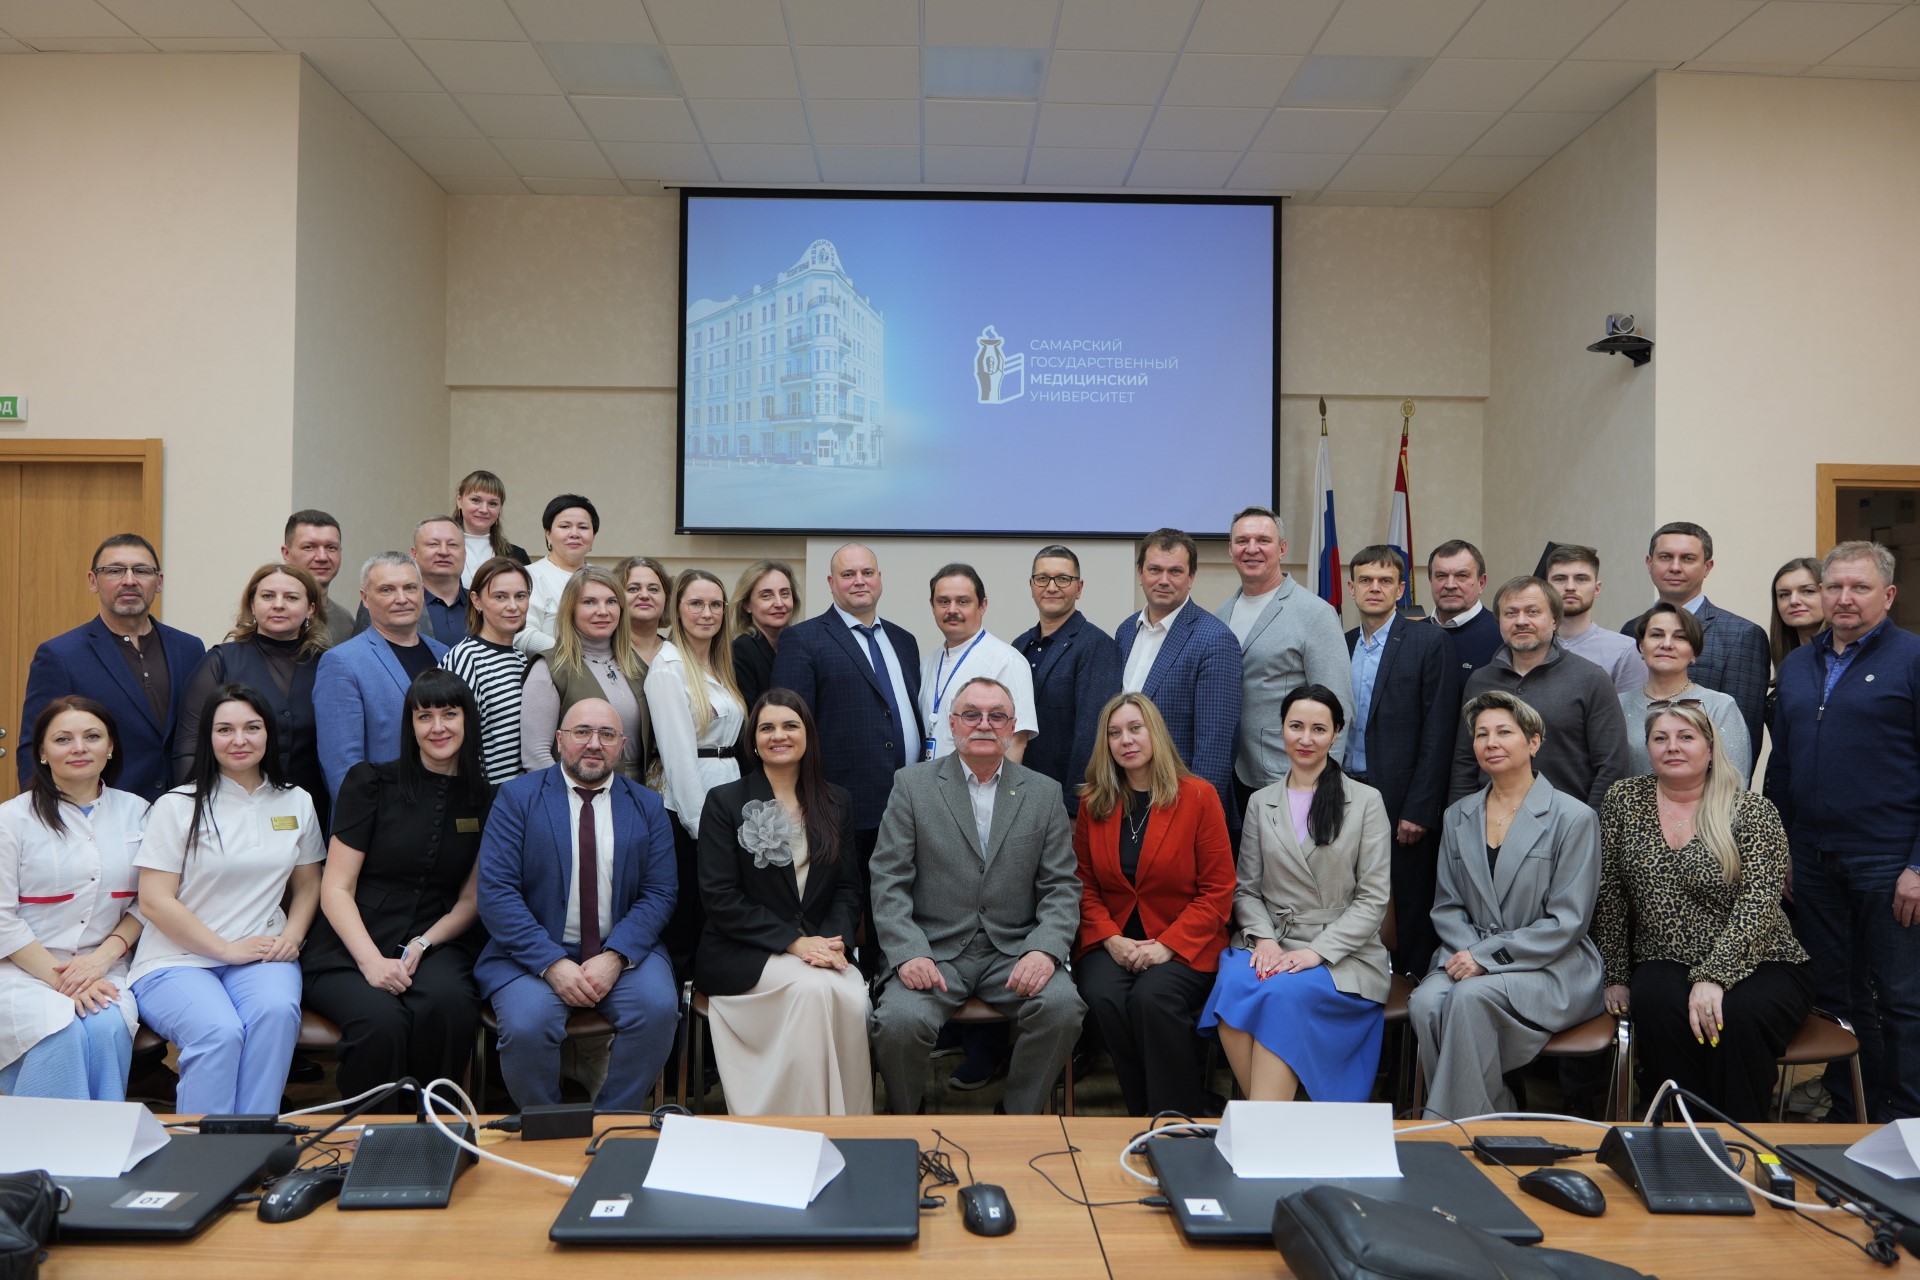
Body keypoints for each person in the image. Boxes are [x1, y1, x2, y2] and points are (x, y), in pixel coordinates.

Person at [868, 677, 1084, 1115]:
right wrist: (909, 952)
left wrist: (1045, 950)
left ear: (1012, 727)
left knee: (1063, 1008)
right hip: (934, 951)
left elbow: (1062, 886)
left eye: (997, 716)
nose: (984, 725)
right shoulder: (912, 786)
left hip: (1014, 950)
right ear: (952, 724)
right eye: (971, 715)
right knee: (898, 1022)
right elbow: (888, 879)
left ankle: (1017, 1116)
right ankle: (905, 1119)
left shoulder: (1042, 792)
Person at [1596, 706, 1811, 1120]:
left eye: (1686, 737)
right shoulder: (1623, 800)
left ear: (1711, 749)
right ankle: (1679, 1137)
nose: (1672, 747)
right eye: (1660, 738)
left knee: (1738, 1017)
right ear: (1648, 748)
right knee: (1656, 1004)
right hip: (1664, 957)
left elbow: (1759, 903)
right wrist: (1617, 976)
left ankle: (1740, 1139)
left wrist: (1714, 976)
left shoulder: (1751, 810)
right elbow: (1611, 894)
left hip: (1762, 959)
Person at [1767, 541, 1920, 1121]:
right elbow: (1781, 766)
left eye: (1859, 587)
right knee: (1835, 995)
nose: (1844, 598)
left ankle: (1905, 1121)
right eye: (1834, 587)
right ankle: (1848, 1108)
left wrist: (1918, 866)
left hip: (1889, 863)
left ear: (1888, 594)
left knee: (1902, 1001)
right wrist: (1781, 849)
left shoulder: (1912, 658)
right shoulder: (1802, 663)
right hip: (1811, 859)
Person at [129, 683, 326, 1114]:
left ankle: (253, 1144)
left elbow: (309, 882)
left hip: (262, 951)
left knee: (275, 1014)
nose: (239, 740)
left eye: (252, 728)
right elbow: (155, 901)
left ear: (269, 734)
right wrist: (224, 950)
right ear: (208, 738)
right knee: (218, 1032)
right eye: (225, 730)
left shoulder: (296, 800)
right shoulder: (177, 806)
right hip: (176, 960)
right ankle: (204, 1156)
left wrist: (291, 936)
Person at [475, 698, 678, 1113]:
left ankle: (610, 1121)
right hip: (531, 955)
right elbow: (497, 893)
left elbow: (659, 893)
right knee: (528, 1025)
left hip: (620, 950)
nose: (593, 744)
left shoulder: (648, 806)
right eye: (582, 732)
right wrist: (552, 963)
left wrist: (616, 957)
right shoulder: (517, 798)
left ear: (622, 745)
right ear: (559, 740)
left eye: (606, 735)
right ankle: (548, 1129)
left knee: (658, 1010)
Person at [303, 671, 494, 1108]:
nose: (438, 727)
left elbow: (471, 900)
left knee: (448, 1006)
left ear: (468, 720)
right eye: (424, 716)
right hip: (349, 944)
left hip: (437, 939)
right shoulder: (369, 782)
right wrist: (371, 962)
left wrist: (425, 942)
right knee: (381, 1021)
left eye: (450, 714)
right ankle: (370, 1138)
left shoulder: (486, 799)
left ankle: (433, 1132)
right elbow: (335, 887)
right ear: (410, 725)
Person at [1411, 691, 1605, 1119]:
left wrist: (1485, 959)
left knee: (1468, 999)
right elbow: (1447, 905)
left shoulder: (1573, 818)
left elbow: (1567, 921)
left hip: (1551, 965)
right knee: (1424, 1004)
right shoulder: (1458, 815)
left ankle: (1445, 1128)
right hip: (1468, 953)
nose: (1491, 742)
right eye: (1481, 734)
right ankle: (1493, 1114)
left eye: (1504, 732)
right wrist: (1468, 955)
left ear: (1533, 743)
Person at [1200, 685, 1389, 1102]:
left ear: (1336, 733)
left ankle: (1265, 1125)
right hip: (1272, 941)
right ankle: (1273, 1122)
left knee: (1279, 996)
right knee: (1234, 985)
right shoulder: (1261, 802)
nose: (1306, 738)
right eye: (1296, 726)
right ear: (1281, 729)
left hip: (1342, 954)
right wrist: (1264, 938)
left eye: (1318, 728)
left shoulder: (1366, 801)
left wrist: (1315, 953)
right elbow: (1246, 890)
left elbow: (1373, 899)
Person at [694, 689, 872, 1115]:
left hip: (818, 948)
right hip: (743, 952)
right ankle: (797, 1123)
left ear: (807, 734)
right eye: (767, 727)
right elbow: (720, 898)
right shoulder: (725, 802)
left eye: (790, 725)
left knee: (850, 995)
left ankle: (852, 1125)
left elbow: (849, 887)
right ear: (752, 740)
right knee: (814, 991)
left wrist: (835, 940)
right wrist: (794, 943)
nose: (779, 735)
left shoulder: (836, 802)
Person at [1074, 693, 1232, 1115]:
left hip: (1184, 939)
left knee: (1152, 998)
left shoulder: (1199, 796)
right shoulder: (1094, 802)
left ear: (1155, 733)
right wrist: (1109, 938)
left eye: (1135, 728)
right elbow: (1083, 884)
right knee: (1102, 995)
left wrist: (1167, 945)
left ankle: (1174, 1116)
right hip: (1115, 936)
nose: (1125, 740)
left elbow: (1218, 889)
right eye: (1114, 733)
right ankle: (1146, 1108)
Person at [770, 543, 923, 963]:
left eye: (867, 572)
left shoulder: (905, 641)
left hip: (907, 804)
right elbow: (789, 727)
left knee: (901, 913)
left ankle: (894, 991)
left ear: (879, 579)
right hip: (840, 806)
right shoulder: (803, 639)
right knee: (845, 913)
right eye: (848, 574)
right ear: (831, 583)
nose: (859, 581)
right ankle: (852, 1000)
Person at [0, 697, 144, 1100]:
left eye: (92, 736)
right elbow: (1, 918)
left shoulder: (140, 813)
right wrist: (63, 980)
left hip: (104, 964)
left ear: (110, 746)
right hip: (21, 966)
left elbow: (146, 904)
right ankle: (40, 1153)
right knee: (57, 1029)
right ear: (43, 753)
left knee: (107, 1027)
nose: (79, 747)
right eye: (63, 739)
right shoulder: (11, 820)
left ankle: (99, 1147)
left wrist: (100, 962)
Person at [18, 534, 207, 803]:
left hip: (182, 810)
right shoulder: (60, 655)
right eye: (114, 570)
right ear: (93, 581)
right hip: (99, 815)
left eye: (141, 570)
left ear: (159, 581)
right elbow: (32, 746)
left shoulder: (189, 648)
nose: (129, 580)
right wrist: (42, 818)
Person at [1344, 546, 1461, 977]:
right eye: (1366, 580)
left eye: (1385, 580)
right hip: (1346, 795)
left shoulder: (1429, 642)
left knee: (1408, 904)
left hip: (1402, 804)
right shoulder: (1343, 645)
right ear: (1351, 587)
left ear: (1400, 588)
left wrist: (1419, 809)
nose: (1375, 588)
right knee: (1356, 898)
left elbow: (1439, 732)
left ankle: (1410, 997)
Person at [1449, 576, 1630, 811]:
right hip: (1491, 823)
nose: (1521, 621)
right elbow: (1465, 763)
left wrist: (1590, 827)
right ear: (1499, 622)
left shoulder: (1591, 679)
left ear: (1555, 620)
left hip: (1567, 828)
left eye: (1533, 612)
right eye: (1511, 613)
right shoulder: (1480, 681)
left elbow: (1612, 766)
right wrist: (1461, 820)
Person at [175, 562, 333, 831]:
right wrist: (197, 811)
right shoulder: (220, 661)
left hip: (310, 813)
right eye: (268, 596)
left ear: (311, 608)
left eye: (291, 597)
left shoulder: (329, 666)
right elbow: (189, 746)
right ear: (252, 604)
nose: (278, 605)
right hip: (227, 811)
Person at [1215, 508, 1354, 812]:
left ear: (1282, 548)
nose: (1251, 549)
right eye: (1242, 541)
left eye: (1263, 540)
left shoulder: (1314, 613)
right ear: (1230, 549)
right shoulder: (1222, 614)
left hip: (1289, 772)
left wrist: (1325, 781)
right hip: (1231, 774)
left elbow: (1338, 704)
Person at [648, 569, 747, 981]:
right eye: (695, 604)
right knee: (692, 920)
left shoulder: (720, 666)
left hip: (727, 794)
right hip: (693, 812)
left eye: (714, 605)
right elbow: (677, 758)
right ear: (678, 609)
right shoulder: (668, 667)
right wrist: (700, 826)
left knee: (723, 917)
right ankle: (682, 1033)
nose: (706, 613)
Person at [1115, 528, 1242, 833]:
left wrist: (1194, 818)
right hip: (1126, 796)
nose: (1163, 580)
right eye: (1155, 569)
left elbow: (1215, 746)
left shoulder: (1215, 640)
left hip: (1179, 806)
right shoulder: (1125, 631)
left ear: (1191, 577)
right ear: (1140, 573)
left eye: (1175, 571)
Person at [1622, 521, 1770, 759]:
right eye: (1665, 557)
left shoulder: (1742, 634)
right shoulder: (1632, 629)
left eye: (1688, 559)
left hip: (1705, 789)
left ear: (1707, 567)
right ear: (1650, 563)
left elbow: (1742, 739)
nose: (1675, 567)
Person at [314, 553, 449, 799]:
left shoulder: (445, 654)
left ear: (422, 592)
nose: (401, 599)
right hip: (380, 819)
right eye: (387, 590)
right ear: (365, 598)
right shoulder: (342, 662)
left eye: (410, 588)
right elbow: (342, 767)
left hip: (442, 807)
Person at [1011, 545, 1122, 816]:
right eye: (1043, 578)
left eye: (1063, 579)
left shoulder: (1096, 646)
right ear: (1031, 585)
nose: (1052, 587)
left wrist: (1073, 808)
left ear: (1079, 587)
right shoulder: (1018, 646)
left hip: (1064, 802)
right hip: (1019, 795)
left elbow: (1091, 735)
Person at [520, 566, 656, 782]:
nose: (603, 611)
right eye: (589, 602)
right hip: (579, 797)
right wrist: (571, 800)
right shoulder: (549, 668)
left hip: (640, 796)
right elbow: (535, 756)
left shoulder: (636, 665)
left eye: (611, 601)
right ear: (570, 609)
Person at [1618, 604, 1752, 782]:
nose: (1666, 644)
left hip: (1708, 809)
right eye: (1657, 635)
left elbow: (1735, 782)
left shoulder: (1720, 706)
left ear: (1694, 652)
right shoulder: (1617, 704)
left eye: (1680, 637)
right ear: (1642, 646)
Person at [919, 563, 1038, 761]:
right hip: (929, 785)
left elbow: (1016, 742)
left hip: (979, 788)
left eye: (963, 601)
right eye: (943, 601)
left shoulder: (1007, 661)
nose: (952, 610)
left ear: (982, 606)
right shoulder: (929, 662)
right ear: (932, 606)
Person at [439, 557, 531, 784]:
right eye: (500, 596)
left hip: (515, 798)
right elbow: (450, 740)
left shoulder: (520, 658)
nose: (513, 606)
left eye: (520, 596)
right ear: (477, 601)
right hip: (481, 799)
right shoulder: (465, 658)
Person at [1544, 544, 1646, 694]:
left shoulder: (1624, 651)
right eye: (1560, 579)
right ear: (1546, 588)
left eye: (1581, 579)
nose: (1570, 587)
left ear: (1597, 589)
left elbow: (1634, 713)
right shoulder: (1530, 645)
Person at [356, 516, 469, 645]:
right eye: (433, 544)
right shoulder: (380, 602)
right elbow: (361, 654)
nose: (443, 551)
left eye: (453, 545)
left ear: (464, 554)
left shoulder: (482, 604)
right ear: (414, 554)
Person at [517, 494, 599, 657]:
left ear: (593, 536)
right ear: (548, 534)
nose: (574, 533)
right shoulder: (528, 577)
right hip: (549, 672)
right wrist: (574, 656)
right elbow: (521, 633)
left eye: (583, 527)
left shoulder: (602, 579)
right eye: (565, 526)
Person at [729, 560, 799, 715]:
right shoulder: (741, 649)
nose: (779, 603)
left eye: (785, 593)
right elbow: (750, 714)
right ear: (747, 605)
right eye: (766, 596)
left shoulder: (797, 645)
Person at [1766, 556, 1825, 734]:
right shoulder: (1789, 666)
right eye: (1784, 594)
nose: (1793, 601)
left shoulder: (1843, 663)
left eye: (1808, 591)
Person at [1427, 540, 1501, 676]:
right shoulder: (1412, 634)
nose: (1450, 585)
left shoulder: (1502, 634)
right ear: (1431, 581)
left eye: (1461, 576)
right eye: (1441, 576)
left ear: (1482, 583)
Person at [282, 510, 356, 645]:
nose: (322, 557)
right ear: (286, 553)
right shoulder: (272, 613)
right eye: (309, 547)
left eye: (331, 548)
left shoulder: (346, 621)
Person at [453, 469, 530, 589]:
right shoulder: (441, 551)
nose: (484, 509)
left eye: (493, 504)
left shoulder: (517, 555)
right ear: (459, 500)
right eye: (475, 500)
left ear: (499, 509)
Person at [616, 555, 672, 667]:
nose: (645, 595)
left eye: (653, 589)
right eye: (633, 589)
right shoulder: (604, 653)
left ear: (666, 598)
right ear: (615, 596)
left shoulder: (677, 654)